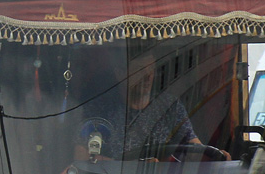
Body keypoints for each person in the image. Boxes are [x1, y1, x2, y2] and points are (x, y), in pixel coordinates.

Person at [74, 49, 219, 162]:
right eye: (140, 70)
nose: (148, 76)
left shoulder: (170, 106)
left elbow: (193, 148)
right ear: (120, 74)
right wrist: (130, 167)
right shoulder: (100, 108)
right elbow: (81, 155)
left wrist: (212, 156)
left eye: (151, 69)